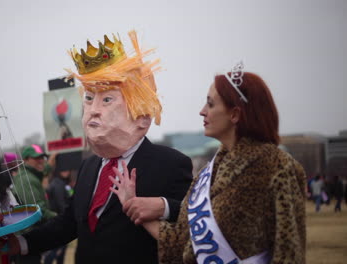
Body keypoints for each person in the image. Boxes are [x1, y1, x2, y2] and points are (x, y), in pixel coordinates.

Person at [0, 30, 193, 264]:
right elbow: (69, 223)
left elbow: (191, 222)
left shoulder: (170, 163)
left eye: (107, 100)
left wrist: (162, 207)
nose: (94, 110)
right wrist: (23, 244)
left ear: (142, 118)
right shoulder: (89, 166)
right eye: (89, 98)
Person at [112, 62, 307, 263]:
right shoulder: (209, 173)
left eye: (211, 104)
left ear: (235, 114)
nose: (202, 111)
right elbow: (181, 242)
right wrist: (132, 205)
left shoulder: (277, 167)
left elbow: (288, 250)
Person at [11, 144, 57, 264]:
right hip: (26, 237)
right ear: (25, 160)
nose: (41, 161)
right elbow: (37, 210)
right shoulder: (26, 179)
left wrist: (54, 155)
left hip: (29, 237)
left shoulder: (31, 173)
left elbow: (45, 167)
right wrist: (61, 219)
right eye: (36, 158)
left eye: (42, 157)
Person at [43, 168, 73, 264]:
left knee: (59, 251)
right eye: (63, 169)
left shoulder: (62, 183)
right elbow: (61, 204)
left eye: (67, 168)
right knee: (56, 250)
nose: (66, 170)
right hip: (59, 221)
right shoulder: (58, 184)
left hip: (59, 221)